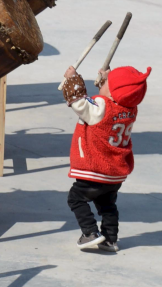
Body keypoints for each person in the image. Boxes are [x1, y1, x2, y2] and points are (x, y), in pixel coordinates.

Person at [62, 64, 150, 251]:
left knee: (76, 198)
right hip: (114, 172)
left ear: (111, 91)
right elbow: (115, 94)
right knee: (107, 205)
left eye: (107, 83)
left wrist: (73, 79)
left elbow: (80, 103)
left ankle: (90, 233)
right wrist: (107, 79)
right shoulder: (130, 109)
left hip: (95, 169)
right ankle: (110, 239)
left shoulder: (102, 109)